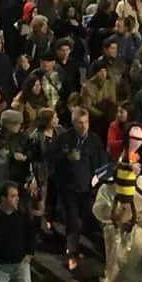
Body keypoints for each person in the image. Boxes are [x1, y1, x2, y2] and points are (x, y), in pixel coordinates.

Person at [48, 106, 107, 271]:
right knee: (72, 220)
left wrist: (98, 181)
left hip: (87, 189)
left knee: (85, 220)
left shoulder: (94, 140)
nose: (84, 126)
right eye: (80, 123)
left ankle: (84, 249)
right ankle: (72, 254)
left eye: (86, 122)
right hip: (69, 188)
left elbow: (102, 162)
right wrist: (65, 157)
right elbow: (50, 155)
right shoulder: (64, 138)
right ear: (73, 123)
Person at [92, 171, 142, 282]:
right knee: (114, 269)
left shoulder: (141, 183)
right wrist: (113, 215)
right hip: (114, 233)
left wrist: (138, 218)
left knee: (132, 272)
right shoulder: (109, 185)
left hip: (135, 233)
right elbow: (98, 208)